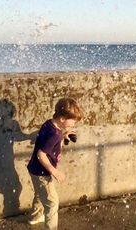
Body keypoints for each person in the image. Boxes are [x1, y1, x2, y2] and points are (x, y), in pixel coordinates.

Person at [27, 97, 82, 230]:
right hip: (42, 173)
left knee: (40, 194)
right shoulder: (55, 135)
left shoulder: (49, 125)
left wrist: (63, 137)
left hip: (34, 169)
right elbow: (41, 154)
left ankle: (35, 216)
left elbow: (47, 142)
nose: (73, 124)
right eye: (72, 121)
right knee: (52, 202)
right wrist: (54, 171)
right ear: (62, 119)